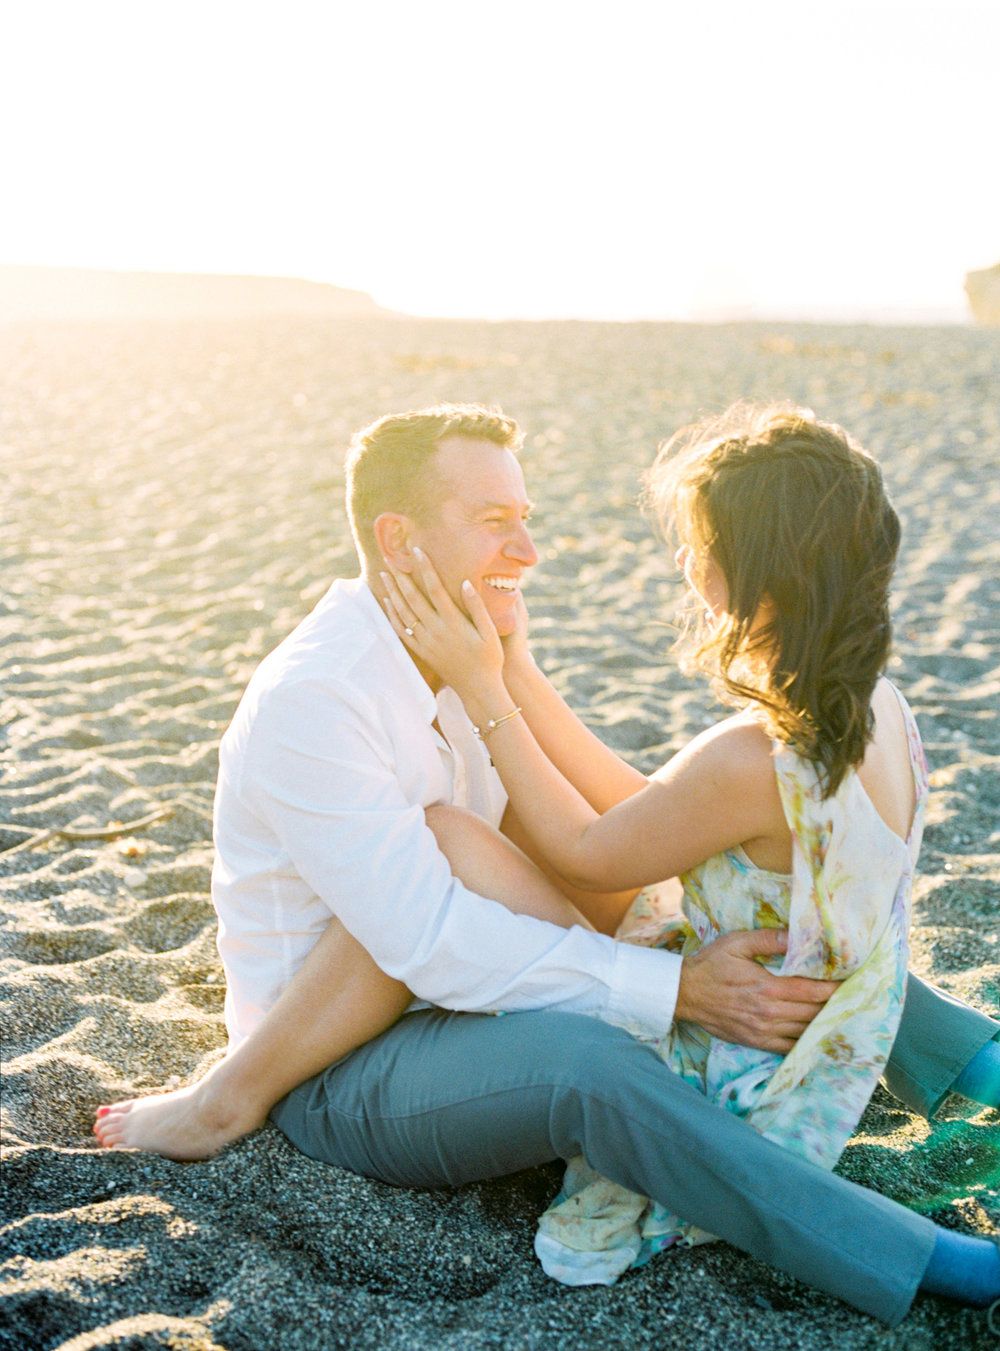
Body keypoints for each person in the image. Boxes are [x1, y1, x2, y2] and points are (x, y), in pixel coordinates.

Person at [94, 402, 1000, 1325]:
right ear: (397, 539)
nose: (526, 553)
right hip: (340, 1060)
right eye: (496, 524)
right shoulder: (320, 699)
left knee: (731, 893)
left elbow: (638, 825)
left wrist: (508, 676)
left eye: (527, 520)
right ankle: (928, 1257)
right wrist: (674, 987)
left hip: (476, 983)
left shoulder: (464, 647)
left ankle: (977, 1062)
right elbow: (428, 942)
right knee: (590, 1064)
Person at [375, 401, 969, 1287]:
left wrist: (480, 692)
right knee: (505, 832)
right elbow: (658, 812)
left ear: (752, 572)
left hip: (738, 1068)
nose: (686, 560)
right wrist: (518, 671)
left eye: (699, 544)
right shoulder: (872, 705)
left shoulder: (755, 756)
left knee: (457, 833)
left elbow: (588, 850)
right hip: (805, 1036)